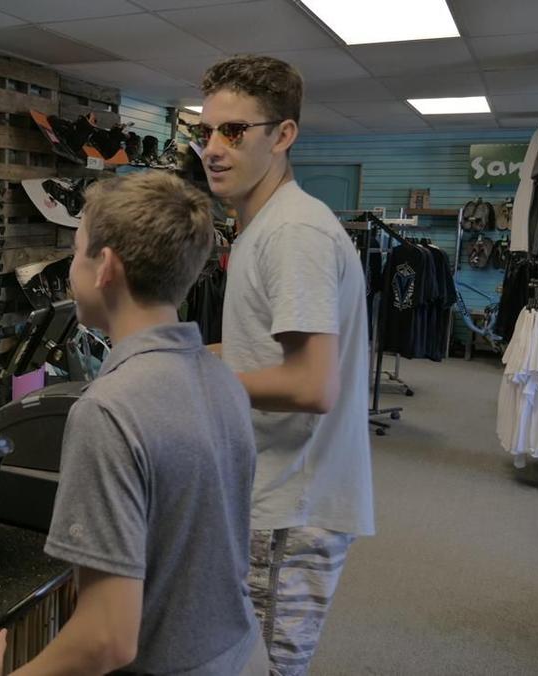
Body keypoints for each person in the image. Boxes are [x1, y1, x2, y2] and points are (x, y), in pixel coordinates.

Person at [0, 171, 267, 675]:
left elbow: (107, 637)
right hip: (242, 656)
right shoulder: (221, 377)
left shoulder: (108, 410)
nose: (69, 270)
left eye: (76, 249)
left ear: (104, 267)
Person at [196, 55, 375, 675]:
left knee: (261, 668)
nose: (214, 149)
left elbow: (311, 383)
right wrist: (191, 357)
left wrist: (202, 383)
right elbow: (266, 356)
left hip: (290, 507)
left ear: (284, 134)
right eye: (207, 132)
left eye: (235, 131)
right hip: (275, 493)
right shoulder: (266, 229)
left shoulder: (292, 234)